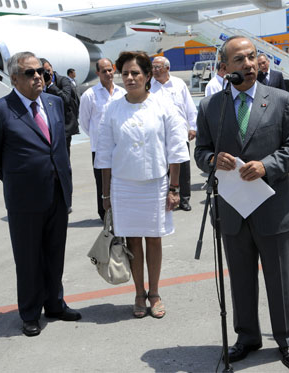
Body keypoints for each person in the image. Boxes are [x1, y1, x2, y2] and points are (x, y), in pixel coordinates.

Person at [195, 35, 289, 371]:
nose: (247, 65)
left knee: (279, 278)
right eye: (239, 60)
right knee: (241, 278)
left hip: (272, 207)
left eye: (251, 58)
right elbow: (200, 152)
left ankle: (287, 339)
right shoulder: (210, 106)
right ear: (225, 68)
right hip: (232, 209)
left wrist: (267, 166)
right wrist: (213, 159)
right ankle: (247, 337)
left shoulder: (281, 100)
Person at [0, 51, 81, 337]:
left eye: (41, 72)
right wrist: (16, 178)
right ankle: (29, 312)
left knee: (54, 254)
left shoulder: (54, 103)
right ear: (14, 79)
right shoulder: (1, 110)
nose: (38, 77)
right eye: (30, 73)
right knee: (28, 259)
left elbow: (59, 146)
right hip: (24, 199)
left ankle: (55, 304)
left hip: (58, 194)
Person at [95, 51, 189, 319]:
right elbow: (104, 155)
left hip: (155, 185)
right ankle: (138, 292)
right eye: (125, 73)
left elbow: (176, 150)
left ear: (148, 76)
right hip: (124, 187)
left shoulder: (163, 105)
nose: (130, 78)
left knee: (154, 239)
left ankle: (155, 292)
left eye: (135, 73)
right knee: (133, 241)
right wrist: (106, 195)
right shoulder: (112, 109)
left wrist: (174, 189)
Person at [79, 58, 126, 221]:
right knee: (102, 183)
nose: (108, 73)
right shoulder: (89, 95)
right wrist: (97, 137)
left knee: (121, 181)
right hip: (99, 149)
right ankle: (104, 215)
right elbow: (84, 122)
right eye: (104, 71)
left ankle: (120, 212)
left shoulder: (122, 93)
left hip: (120, 147)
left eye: (110, 70)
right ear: (97, 73)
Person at [149, 56, 198, 211]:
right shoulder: (149, 86)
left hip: (179, 133)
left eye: (158, 67)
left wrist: (193, 127)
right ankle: (164, 197)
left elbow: (190, 107)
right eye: (153, 67)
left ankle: (184, 199)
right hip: (158, 135)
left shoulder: (178, 84)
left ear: (167, 68)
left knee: (183, 168)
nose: (155, 70)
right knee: (162, 167)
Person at [41, 58, 80, 155]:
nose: (47, 74)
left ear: (52, 68)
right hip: (47, 127)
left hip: (63, 128)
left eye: (48, 70)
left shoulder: (63, 81)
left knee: (64, 158)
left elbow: (66, 100)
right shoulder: (38, 84)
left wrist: (50, 84)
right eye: (43, 72)